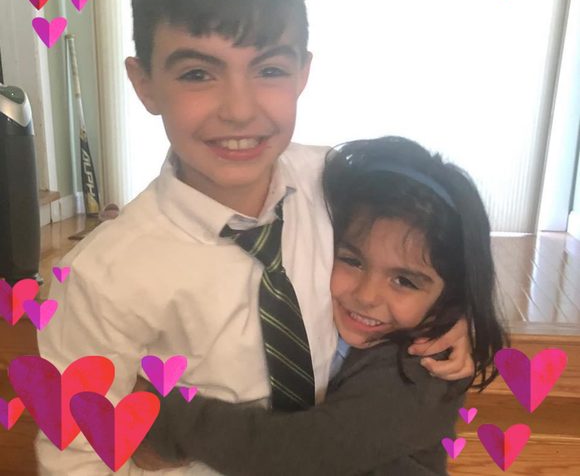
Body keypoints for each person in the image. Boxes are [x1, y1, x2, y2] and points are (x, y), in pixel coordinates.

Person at [36, 0, 473, 474]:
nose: (240, 110)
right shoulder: (100, 279)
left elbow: (433, 241)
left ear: (303, 72)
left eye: (269, 69)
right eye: (198, 73)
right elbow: (76, 455)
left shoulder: (339, 185)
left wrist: (452, 314)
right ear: (145, 85)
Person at [134, 136, 508, 475]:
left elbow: (294, 453)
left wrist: (165, 418)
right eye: (352, 260)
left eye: (404, 281)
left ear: (448, 295)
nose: (367, 295)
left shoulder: (419, 373)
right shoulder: (318, 308)